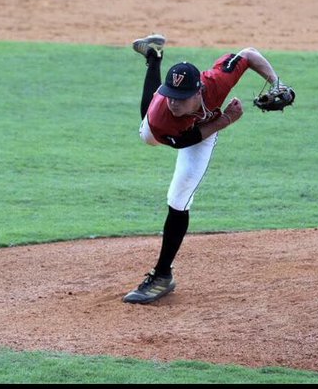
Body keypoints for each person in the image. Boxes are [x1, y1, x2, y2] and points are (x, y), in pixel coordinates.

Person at [123, 32, 293, 304]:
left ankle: (162, 275)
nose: (174, 102)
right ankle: (154, 58)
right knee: (147, 131)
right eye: (171, 95)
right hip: (179, 132)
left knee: (179, 198)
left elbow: (248, 53)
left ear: (199, 89)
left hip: (204, 128)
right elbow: (185, 141)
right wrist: (225, 119)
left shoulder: (216, 82)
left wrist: (277, 84)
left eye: (181, 97)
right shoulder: (163, 116)